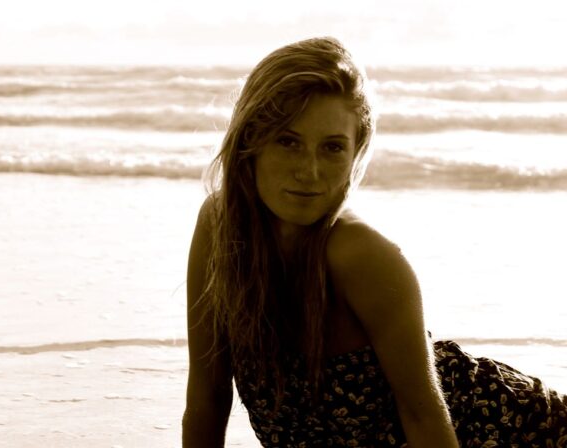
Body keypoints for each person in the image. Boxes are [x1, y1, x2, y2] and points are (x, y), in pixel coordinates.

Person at [182, 37, 567, 447]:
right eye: (288, 141)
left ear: (356, 152)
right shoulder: (222, 227)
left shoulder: (361, 256)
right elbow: (208, 398)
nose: (309, 171)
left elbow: (423, 417)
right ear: (250, 141)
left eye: (332, 147)